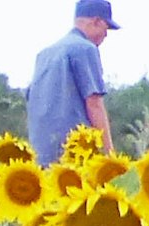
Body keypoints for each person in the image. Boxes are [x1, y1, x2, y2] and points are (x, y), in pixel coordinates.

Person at [24, 6, 112, 166]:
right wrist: (109, 155)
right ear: (97, 22)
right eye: (106, 30)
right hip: (74, 155)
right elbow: (94, 104)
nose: (105, 36)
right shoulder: (86, 49)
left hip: (39, 156)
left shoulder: (44, 55)